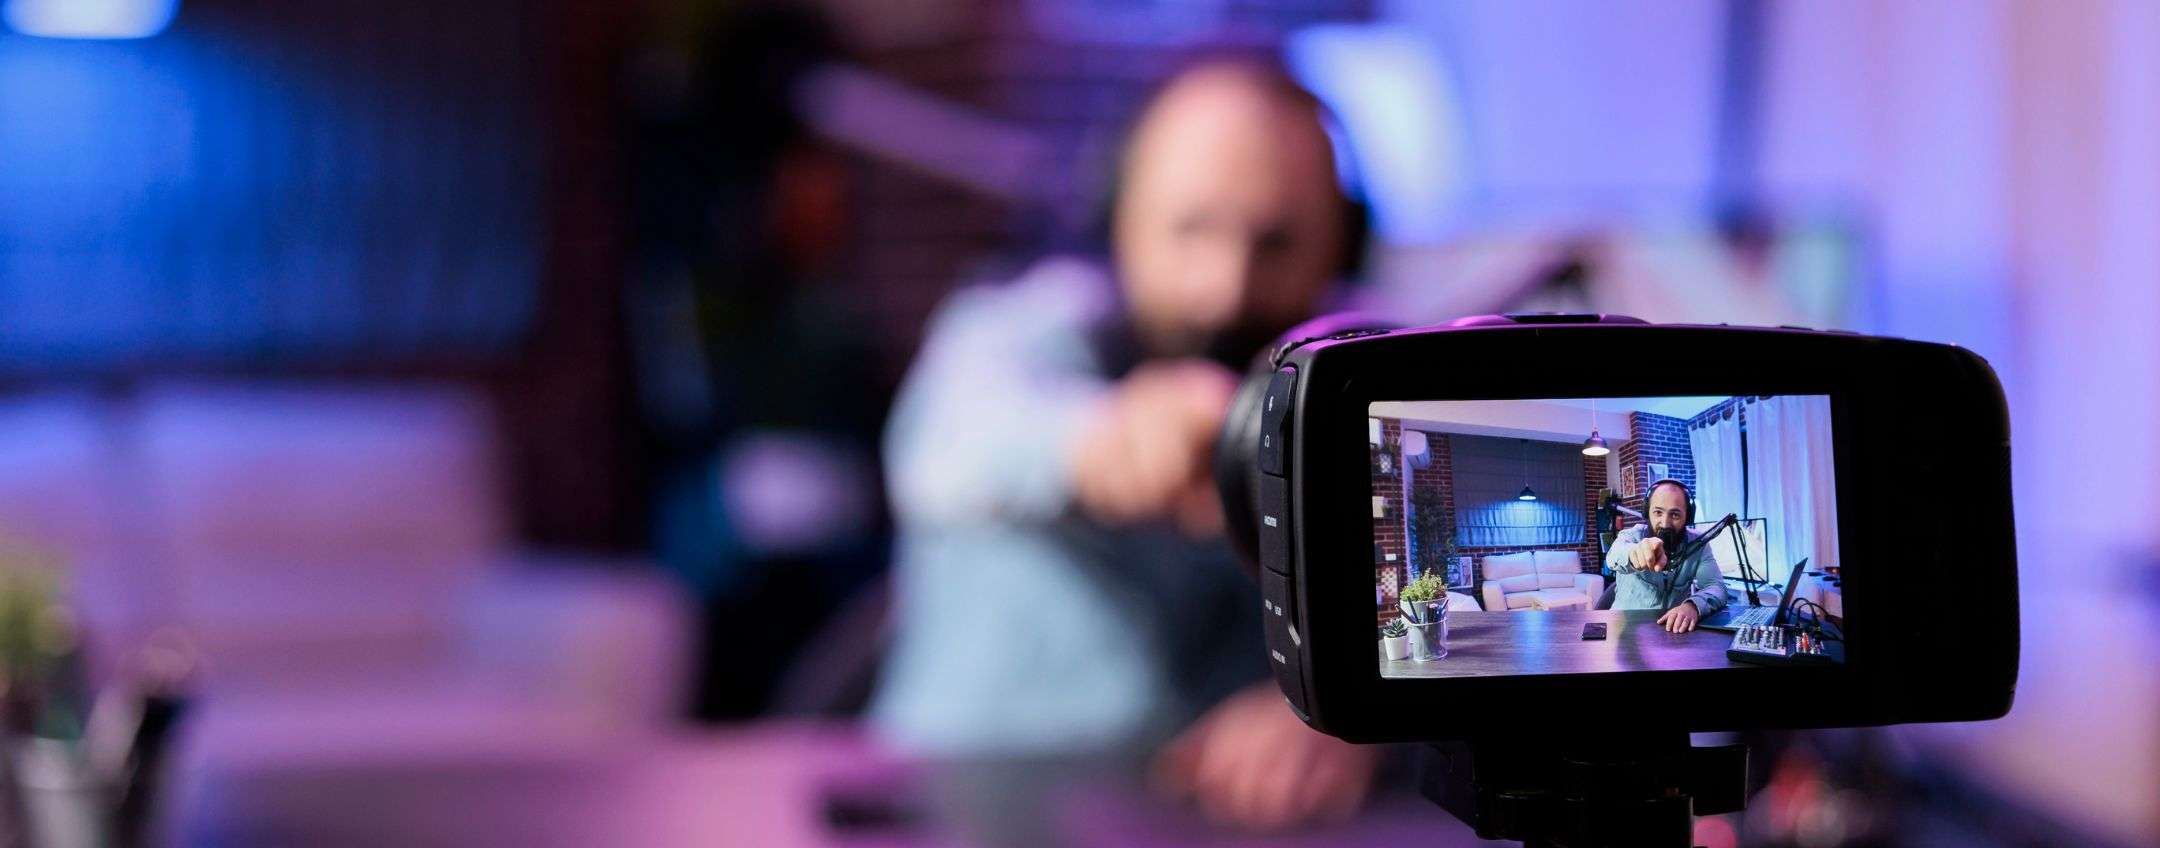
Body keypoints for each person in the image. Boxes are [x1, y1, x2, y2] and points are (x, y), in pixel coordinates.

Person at [872, 57, 1376, 830]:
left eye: (1276, 241)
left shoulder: (1355, 384)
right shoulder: (1009, 332)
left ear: (1341, 247)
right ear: (1118, 217)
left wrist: (1351, 716)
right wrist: (1105, 442)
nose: (1225, 288)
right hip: (963, 814)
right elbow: (948, 445)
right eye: (1191, 227)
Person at [1604, 479, 1728, 633]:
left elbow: (1716, 587)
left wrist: (1693, 606)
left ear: (1688, 517)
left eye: (1675, 515)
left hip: (1671, 632)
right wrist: (1635, 554)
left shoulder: (1698, 544)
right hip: (1624, 631)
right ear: (1647, 512)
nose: (1665, 524)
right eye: (1658, 512)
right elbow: (1613, 557)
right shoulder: (1630, 536)